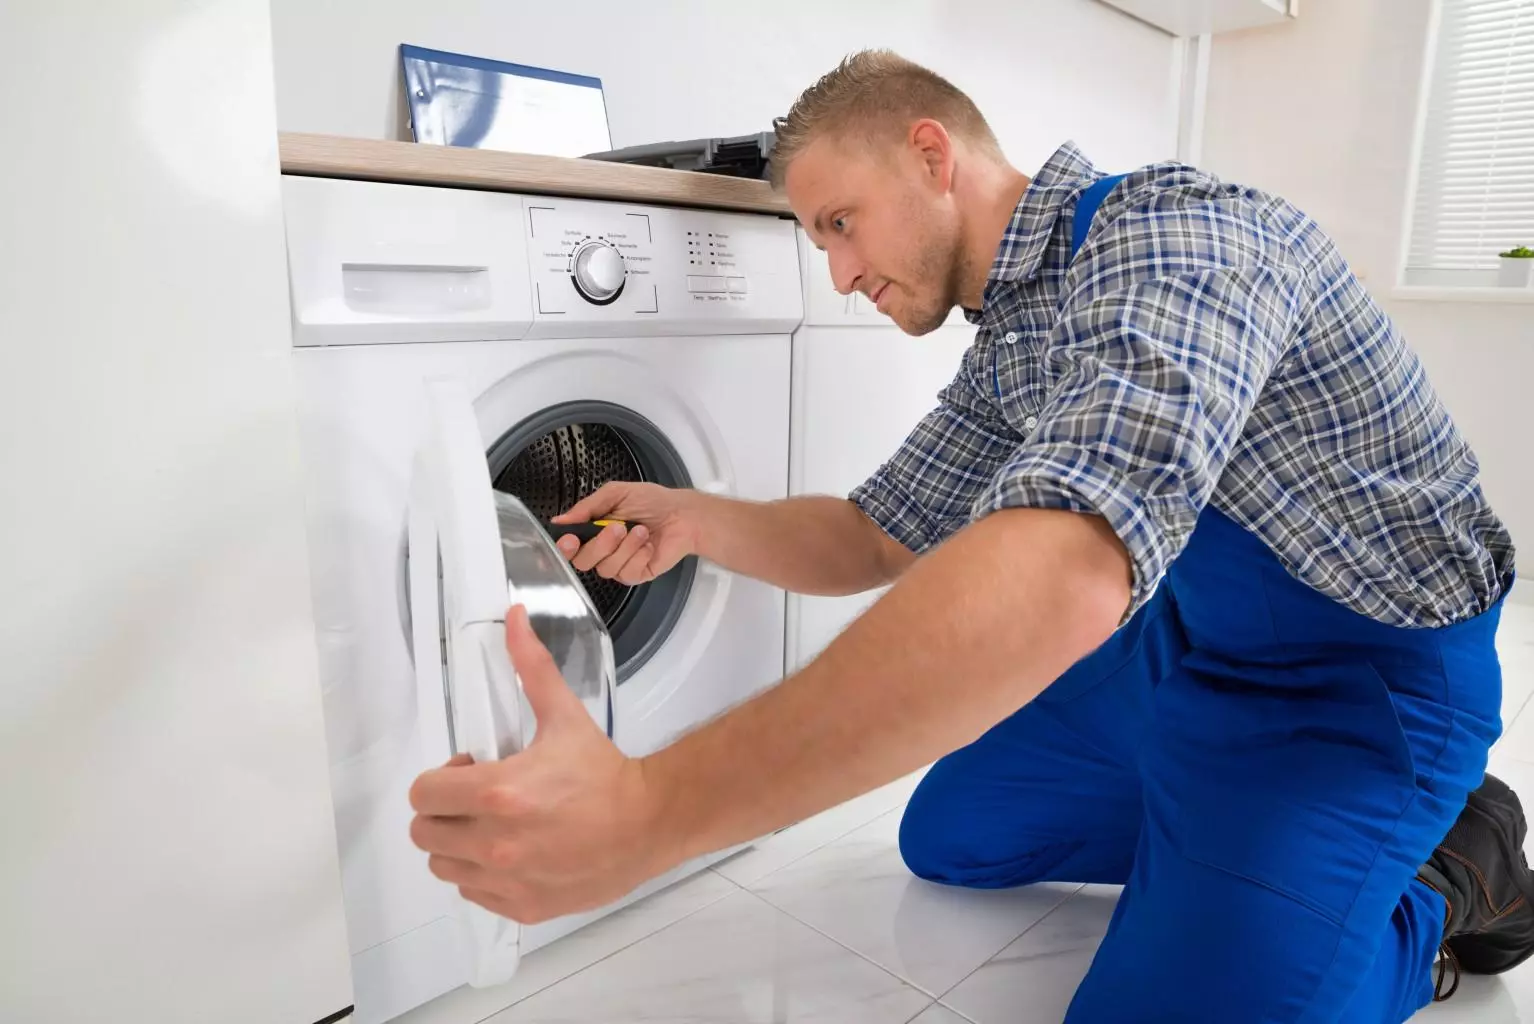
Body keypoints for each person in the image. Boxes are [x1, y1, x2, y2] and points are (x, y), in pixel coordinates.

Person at [407, 50, 1532, 1020]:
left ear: (932, 155)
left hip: (1361, 692)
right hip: (1190, 649)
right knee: (955, 835)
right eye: (817, 244)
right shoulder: (1012, 337)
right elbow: (874, 536)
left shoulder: (1184, 240)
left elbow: (1067, 573)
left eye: (838, 223)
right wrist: (693, 519)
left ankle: (1446, 875)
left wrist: (649, 811)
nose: (840, 273)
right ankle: (1237, 862)